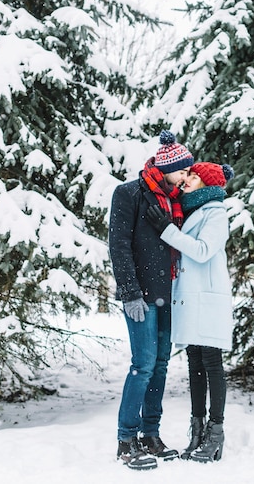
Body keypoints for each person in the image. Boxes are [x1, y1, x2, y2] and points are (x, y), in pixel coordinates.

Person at [108, 130, 194, 470]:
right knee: (142, 364)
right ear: (168, 167)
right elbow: (119, 246)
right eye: (183, 171)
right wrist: (129, 292)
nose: (186, 177)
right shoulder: (129, 193)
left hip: (170, 294)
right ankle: (126, 438)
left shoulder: (176, 200)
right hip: (141, 296)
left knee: (160, 364)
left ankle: (150, 434)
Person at [145, 161, 234, 463]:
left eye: (193, 177)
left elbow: (201, 250)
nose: (186, 180)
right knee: (195, 364)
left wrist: (167, 230)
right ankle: (197, 431)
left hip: (207, 298)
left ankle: (216, 431)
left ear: (207, 184)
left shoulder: (216, 214)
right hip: (190, 298)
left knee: (211, 363)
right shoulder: (192, 211)